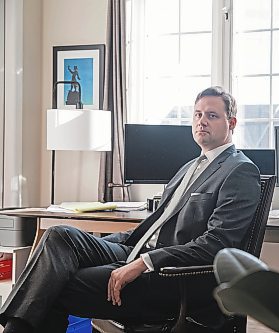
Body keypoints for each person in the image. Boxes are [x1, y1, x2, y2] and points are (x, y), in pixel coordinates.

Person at [0, 86, 261, 332]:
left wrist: (144, 262)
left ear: (232, 123)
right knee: (60, 236)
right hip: (135, 249)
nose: (201, 121)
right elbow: (155, 225)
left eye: (212, 115)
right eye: (197, 114)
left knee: (56, 284)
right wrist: (95, 247)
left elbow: (216, 245)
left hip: (171, 276)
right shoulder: (190, 167)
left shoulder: (238, 170)